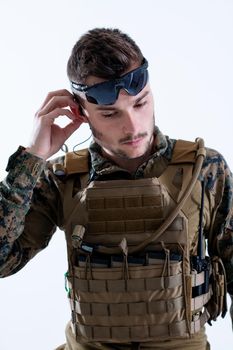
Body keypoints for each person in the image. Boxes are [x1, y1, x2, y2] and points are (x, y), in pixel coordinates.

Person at [0, 27, 232, 350]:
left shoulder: (205, 170)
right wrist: (32, 159)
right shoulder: (62, 178)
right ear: (81, 113)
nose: (133, 127)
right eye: (110, 114)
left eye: (141, 103)